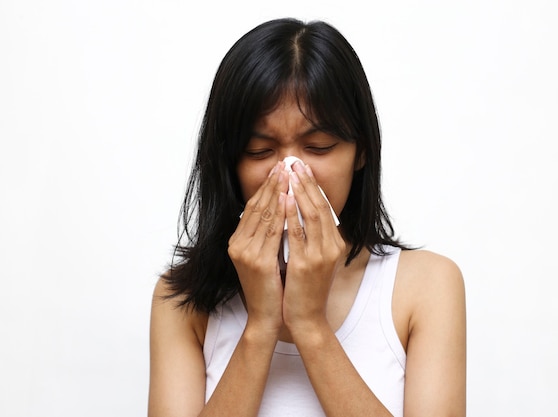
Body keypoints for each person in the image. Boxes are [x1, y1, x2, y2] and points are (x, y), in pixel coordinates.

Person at [148, 18, 466, 417]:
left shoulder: (427, 286)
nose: (290, 171)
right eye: (261, 151)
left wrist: (311, 326)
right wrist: (262, 326)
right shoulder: (180, 299)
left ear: (361, 152)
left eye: (318, 146)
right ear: (228, 164)